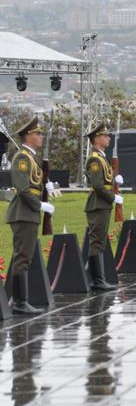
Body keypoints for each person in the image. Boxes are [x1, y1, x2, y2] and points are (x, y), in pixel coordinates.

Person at [5, 118, 53, 313]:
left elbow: (33, 185)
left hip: (28, 213)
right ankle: (19, 302)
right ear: (28, 137)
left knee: (25, 257)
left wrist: (46, 187)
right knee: (22, 257)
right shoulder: (23, 158)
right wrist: (40, 205)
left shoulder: (31, 158)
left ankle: (21, 301)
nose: (41, 137)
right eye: (38, 134)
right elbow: (23, 189)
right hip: (23, 213)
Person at [83, 122, 121, 290]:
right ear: (97, 139)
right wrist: (113, 197)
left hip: (102, 204)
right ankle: (97, 280)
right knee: (97, 242)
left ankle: (94, 278)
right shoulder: (95, 159)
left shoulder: (102, 157)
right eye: (105, 135)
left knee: (99, 241)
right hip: (98, 204)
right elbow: (98, 186)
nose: (108, 138)